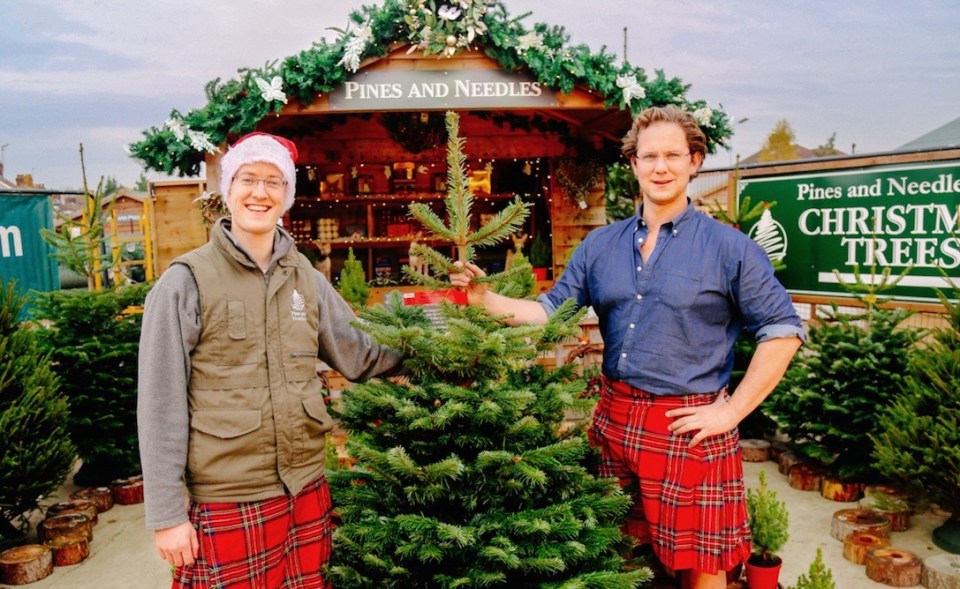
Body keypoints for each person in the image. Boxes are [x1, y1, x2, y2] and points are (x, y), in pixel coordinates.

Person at [450, 105, 804, 589]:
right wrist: (484, 299)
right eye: (649, 156)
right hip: (615, 420)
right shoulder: (601, 245)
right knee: (615, 551)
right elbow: (552, 309)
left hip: (690, 428)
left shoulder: (731, 249)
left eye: (673, 155)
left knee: (702, 567)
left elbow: (782, 331)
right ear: (633, 164)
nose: (661, 167)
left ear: (695, 162)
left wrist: (731, 413)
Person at [138, 132, 404, 588]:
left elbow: (359, 354)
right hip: (227, 499)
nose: (260, 192)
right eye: (248, 179)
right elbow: (159, 404)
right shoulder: (185, 282)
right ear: (228, 190)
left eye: (273, 182)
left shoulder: (307, 278)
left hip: (306, 491)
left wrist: (435, 346)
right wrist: (166, 515)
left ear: (288, 197)